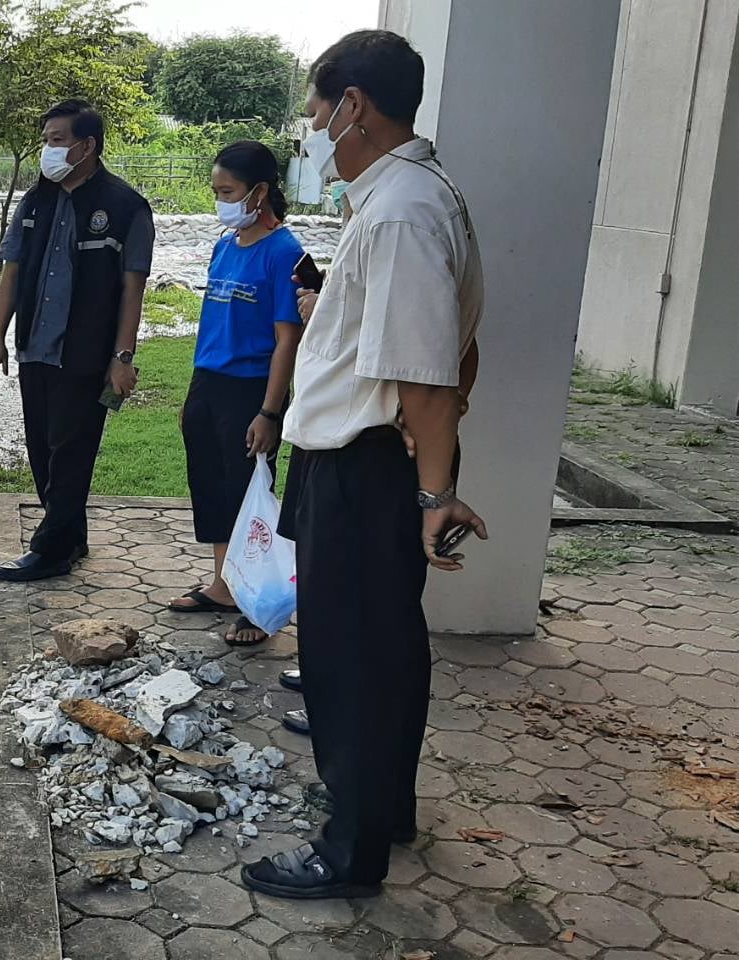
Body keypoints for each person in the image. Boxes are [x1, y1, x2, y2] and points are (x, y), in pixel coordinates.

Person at [238, 29, 486, 901]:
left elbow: (428, 375)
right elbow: (458, 349)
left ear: (353, 106)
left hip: (366, 468)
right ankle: (383, 808)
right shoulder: (407, 196)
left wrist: (434, 492)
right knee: (382, 648)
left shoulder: (402, 211)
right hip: (361, 459)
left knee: (353, 660)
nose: (309, 131)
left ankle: (350, 851)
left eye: (315, 111)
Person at [0, 99, 154, 581]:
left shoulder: (125, 207)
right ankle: (71, 536)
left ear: (87, 146)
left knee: (71, 451)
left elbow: (132, 289)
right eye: (46, 141)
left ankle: (52, 549)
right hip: (35, 347)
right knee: (41, 447)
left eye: (57, 141)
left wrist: (122, 357)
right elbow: (11, 272)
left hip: (85, 353)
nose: (49, 150)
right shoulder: (35, 201)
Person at [167, 140, 305, 646]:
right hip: (210, 382)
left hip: (251, 389)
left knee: (249, 495)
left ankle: (256, 602)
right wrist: (193, 392)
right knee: (211, 486)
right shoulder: (225, 245)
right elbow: (211, 324)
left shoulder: (285, 253)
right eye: (216, 192)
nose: (220, 202)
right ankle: (224, 586)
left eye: (227, 192)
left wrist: (269, 411)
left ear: (259, 192)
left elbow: (287, 339)